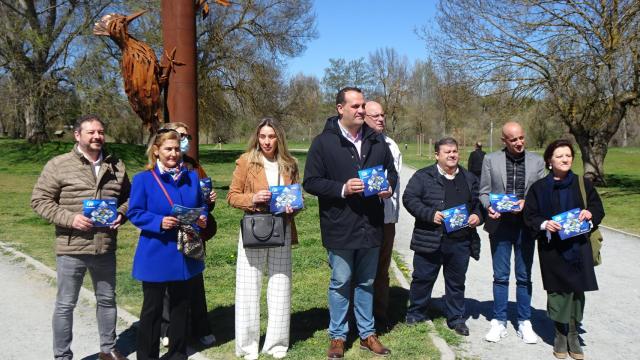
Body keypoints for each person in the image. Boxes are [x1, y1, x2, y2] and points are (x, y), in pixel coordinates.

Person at [303, 87, 398, 359]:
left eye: (362, 106)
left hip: (371, 224)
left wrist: (387, 187)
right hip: (340, 225)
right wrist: (343, 188)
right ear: (340, 109)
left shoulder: (377, 141)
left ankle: (368, 334)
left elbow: (390, 173)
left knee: (367, 281)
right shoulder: (324, 142)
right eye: (355, 106)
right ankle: (337, 335)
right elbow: (311, 181)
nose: (360, 110)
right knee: (341, 281)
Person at [31, 115, 130, 360]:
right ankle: (62, 355)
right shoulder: (58, 165)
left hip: (104, 246)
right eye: (91, 132)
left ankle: (108, 350)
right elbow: (39, 200)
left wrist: (121, 214)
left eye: (101, 132)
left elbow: (129, 199)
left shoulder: (116, 165)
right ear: (78, 135)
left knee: (107, 300)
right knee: (66, 305)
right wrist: (70, 218)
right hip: (71, 247)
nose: (97, 136)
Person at [127, 129, 208, 360]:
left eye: (176, 149)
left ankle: (177, 353)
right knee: (152, 309)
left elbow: (200, 206)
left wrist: (202, 217)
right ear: (156, 151)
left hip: (183, 253)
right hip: (156, 252)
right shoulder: (143, 179)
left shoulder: (191, 177)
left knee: (181, 307)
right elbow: (135, 212)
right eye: (167, 149)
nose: (173, 154)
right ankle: (147, 356)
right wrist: (159, 221)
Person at [524, 139, 604, 359]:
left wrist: (590, 216)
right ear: (550, 160)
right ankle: (560, 333)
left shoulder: (582, 184)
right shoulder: (539, 188)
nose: (565, 159)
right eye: (559, 156)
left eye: (568, 155)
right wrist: (544, 224)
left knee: (577, 292)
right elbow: (529, 215)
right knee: (558, 291)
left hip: (578, 248)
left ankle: (573, 333)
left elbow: (597, 208)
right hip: (553, 250)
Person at [227, 117, 300, 360]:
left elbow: (296, 197)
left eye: (272, 136)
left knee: (281, 286)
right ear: (257, 138)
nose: (267, 141)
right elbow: (232, 196)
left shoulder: (289, 164)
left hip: (282, 228)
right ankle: (247, 346)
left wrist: (293, 207)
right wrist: (253, 199)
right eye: (263, 136)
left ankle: (277, 344)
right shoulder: (247, 161)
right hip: (254, 228)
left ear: (279, 138)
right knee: (249, 289)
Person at [403, 137, 483, 336]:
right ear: (437, 155)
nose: (452, 155)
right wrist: (429, 214)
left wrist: (477, 216)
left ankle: (456, 318)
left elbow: (479, 204)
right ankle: (416, 313)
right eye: (447, 152)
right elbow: (409, 198)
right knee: (422, 278)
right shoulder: (423, 176)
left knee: (456, 282)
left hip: (460, 241)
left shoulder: (469, 178)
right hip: (430, 238)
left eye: (454, 151)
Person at [479, 121, 545, 344]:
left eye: (521, 138)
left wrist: (528, 202)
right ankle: (499, 320)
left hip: (525, 226)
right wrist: (489, 207)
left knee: (524, 276)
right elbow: (484, 192)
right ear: (504, 141)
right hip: (500, 225)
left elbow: (541, 194)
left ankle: (525, 321)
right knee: (501, 276)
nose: (519, 143)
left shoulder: (537, 161)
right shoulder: (490, 159)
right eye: (513, 139)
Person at [156, 122, 217, 348]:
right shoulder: (155, 168)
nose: (184, 140)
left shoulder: (193, 167)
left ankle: (201, 327)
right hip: (166, 235)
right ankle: (167, 329)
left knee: (194, 282)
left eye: (186, 136)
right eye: (180, 135)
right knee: (166, 287)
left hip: (191, 236)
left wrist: (208, 203)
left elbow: (201, 204)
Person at [364, 101, 403, 329]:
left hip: (386, 217)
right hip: (362, 217)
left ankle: (380, 315)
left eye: (382, 115)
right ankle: (357, 314)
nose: (380, 119)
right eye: (375, 115)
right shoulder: (358, 144)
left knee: (382, 268)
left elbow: (395, 182)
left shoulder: (392, 145)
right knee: (359, 268)